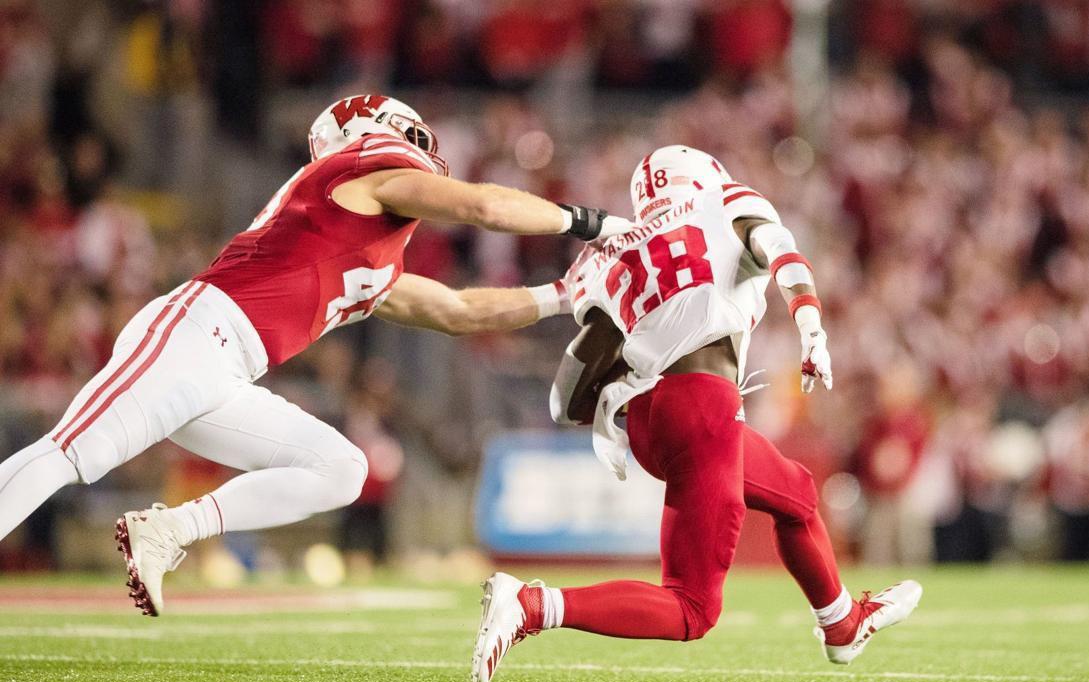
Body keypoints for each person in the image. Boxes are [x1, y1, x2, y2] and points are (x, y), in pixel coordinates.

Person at [0, 94, 631, 616]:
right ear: (375, 132)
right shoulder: (358, 168)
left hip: (226, 370)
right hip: (195, 334)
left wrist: (562, 295)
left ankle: (169, 531)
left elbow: (456, 311)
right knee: (69, 455)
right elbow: (483, 206)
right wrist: (594, 225)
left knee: (340, 469)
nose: (425, 149)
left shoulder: (369, 246)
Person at [472, 145, 921, 682]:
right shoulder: (725, 203)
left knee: (796, 493)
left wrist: (633, 372)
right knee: (690, 609)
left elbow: (565, 402)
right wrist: (811, 327)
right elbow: (787, 258)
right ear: (706, 176)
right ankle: (532, 604)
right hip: (702, 404)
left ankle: (842, 623)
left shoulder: (612, 252)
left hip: (648, 420)